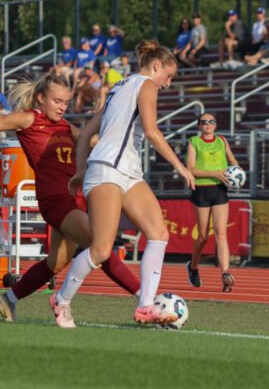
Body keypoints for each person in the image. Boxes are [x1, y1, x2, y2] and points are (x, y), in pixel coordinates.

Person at [0, 73, 140, 323]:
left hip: (75, 200)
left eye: (66, 102)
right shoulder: (29, 119)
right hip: (55, 200)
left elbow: (92, 141)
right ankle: (146, 300)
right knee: (100, 247)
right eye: (57, 101)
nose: (62, 107)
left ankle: (8, 299)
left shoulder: (65, 126)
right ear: (41, 98)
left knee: (56, 263)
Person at [50, 39, 195, 328]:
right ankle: (61, 300)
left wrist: (80, 170)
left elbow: (86, 133)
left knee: (158, 233)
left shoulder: (118, 87)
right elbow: (152, 132)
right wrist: (181, 166)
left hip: (126, 170)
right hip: (107, 170)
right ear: (157, 66)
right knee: (101, 250)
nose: (167, 83)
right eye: (168, 76)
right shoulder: (146, 84)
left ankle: (145, 307)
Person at [186, 112, 240, 293]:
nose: (208, 124)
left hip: (219, 189)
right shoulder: (194, 141)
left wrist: (237, 172)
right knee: (202, 237)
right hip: (201, 189)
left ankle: (225, 273)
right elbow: (191, 169)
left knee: (221, 233)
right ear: (199, 126)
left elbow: (232, 160)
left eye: (211, 121)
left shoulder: (222, 140)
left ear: (215, 124)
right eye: (204, 122)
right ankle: (193, 267)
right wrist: (215, 173)